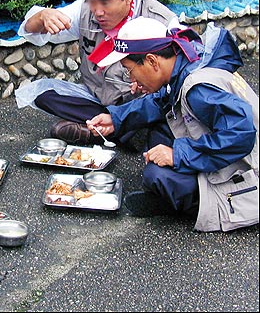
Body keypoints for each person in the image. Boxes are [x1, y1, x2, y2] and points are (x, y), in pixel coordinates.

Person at [86, 17, 258, 232]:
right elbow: (162, 100)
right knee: (160, 129)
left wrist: (177, 155)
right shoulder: (187, 61)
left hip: (249, 175)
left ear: (152, 61)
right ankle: (177, 194)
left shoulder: (199, 89)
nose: (132, 79)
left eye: (129, 70)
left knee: (157, 176)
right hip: (228, 155)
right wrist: (117, 118)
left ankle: (184, 203)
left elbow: (241, 134)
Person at [15, 0, 182, 148]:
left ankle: (108, 129)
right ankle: (120, 131)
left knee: (161, 111)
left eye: (105, 3)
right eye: (92, 1)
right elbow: (34, 31)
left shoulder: (162, 21)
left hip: (139, 103)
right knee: (43, 94)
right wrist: (41, 17)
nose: (97, 12)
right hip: (98, 97)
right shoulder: (84, 10)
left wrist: (152, 85)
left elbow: (182, 76)